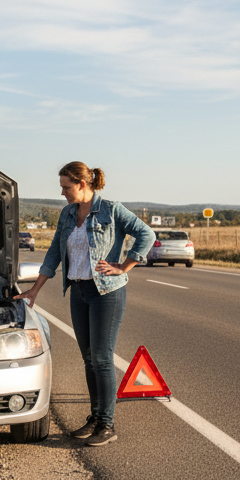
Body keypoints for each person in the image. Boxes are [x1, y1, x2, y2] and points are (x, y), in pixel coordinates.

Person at [15, 162, 154, 446]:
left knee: (102, 358)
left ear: (82, 184)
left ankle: (107, 424)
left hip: (106, 292)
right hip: (78, 292)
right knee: (89, 359)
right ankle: (96, 417)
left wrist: (124, 266)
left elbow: (146, 234)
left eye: (66, 187)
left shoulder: (111, 210)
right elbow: (54, 252)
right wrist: (35, 289)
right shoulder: (67, 214)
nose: (62, 192)